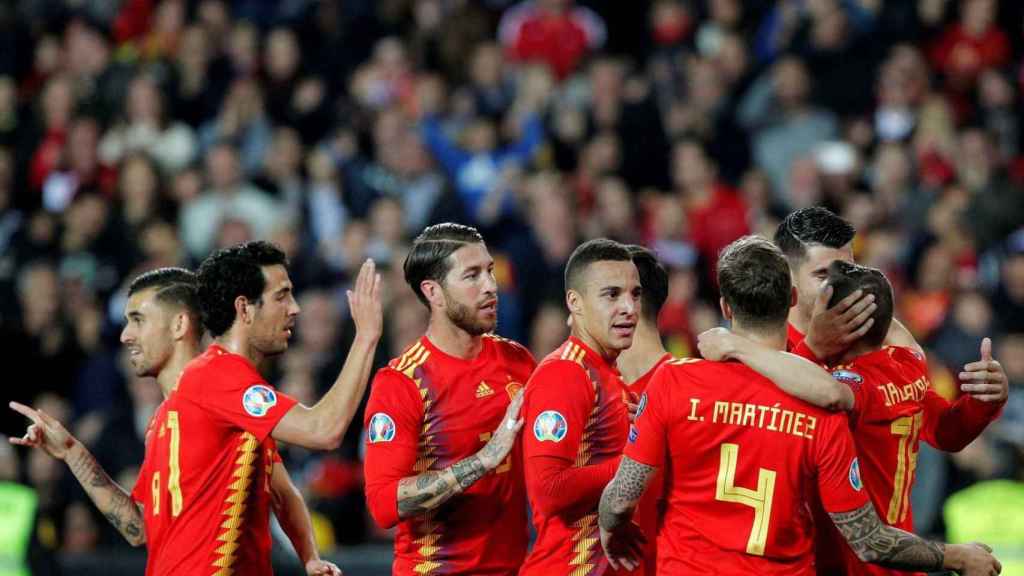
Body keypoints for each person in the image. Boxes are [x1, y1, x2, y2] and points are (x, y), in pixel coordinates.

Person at [597, 236, 1001, 576]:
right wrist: (954, 555)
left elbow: (620, 497)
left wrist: (612, 530)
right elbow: (869, 540)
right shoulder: (821, 409)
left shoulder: (674, 382)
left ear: (725, 307)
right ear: (792, 298)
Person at [9, 267, 343, 575]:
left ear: (180, 325)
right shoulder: (164, 419)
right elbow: (140, 528)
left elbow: (298, 465)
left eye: (137, 320)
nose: (126, 335)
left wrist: (366, 336)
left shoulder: (216, 379)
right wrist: (72, 452)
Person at [701, 259, 1008, 576]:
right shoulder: (909, 359)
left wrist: (738, 346)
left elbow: (820, 395)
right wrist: (983, 404)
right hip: (899, 555)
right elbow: (947, 433)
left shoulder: (852, 385)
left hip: (860, 560)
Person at [142, 241, 378, 575]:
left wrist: (309, 556)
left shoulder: (224, 389)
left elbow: (283, 494)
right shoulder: (218, 377)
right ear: (245, 309)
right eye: (282, 296)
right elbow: (323, 430)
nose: (294, 308)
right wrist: (366, 337)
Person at [362, 223, 535, 575]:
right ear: (434, 293)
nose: (490, 285)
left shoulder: (517, 361)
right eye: (472, 275)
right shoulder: (403, 382)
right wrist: (482, 461)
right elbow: (384, 504)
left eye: (489, 270)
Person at [519, 238, 649, 575]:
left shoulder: (609, 377)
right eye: (612, 294)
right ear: (574, 302)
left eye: (635, 294)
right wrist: (639, 462)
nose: (629, 308)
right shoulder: (564, 373)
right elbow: (548, 490)